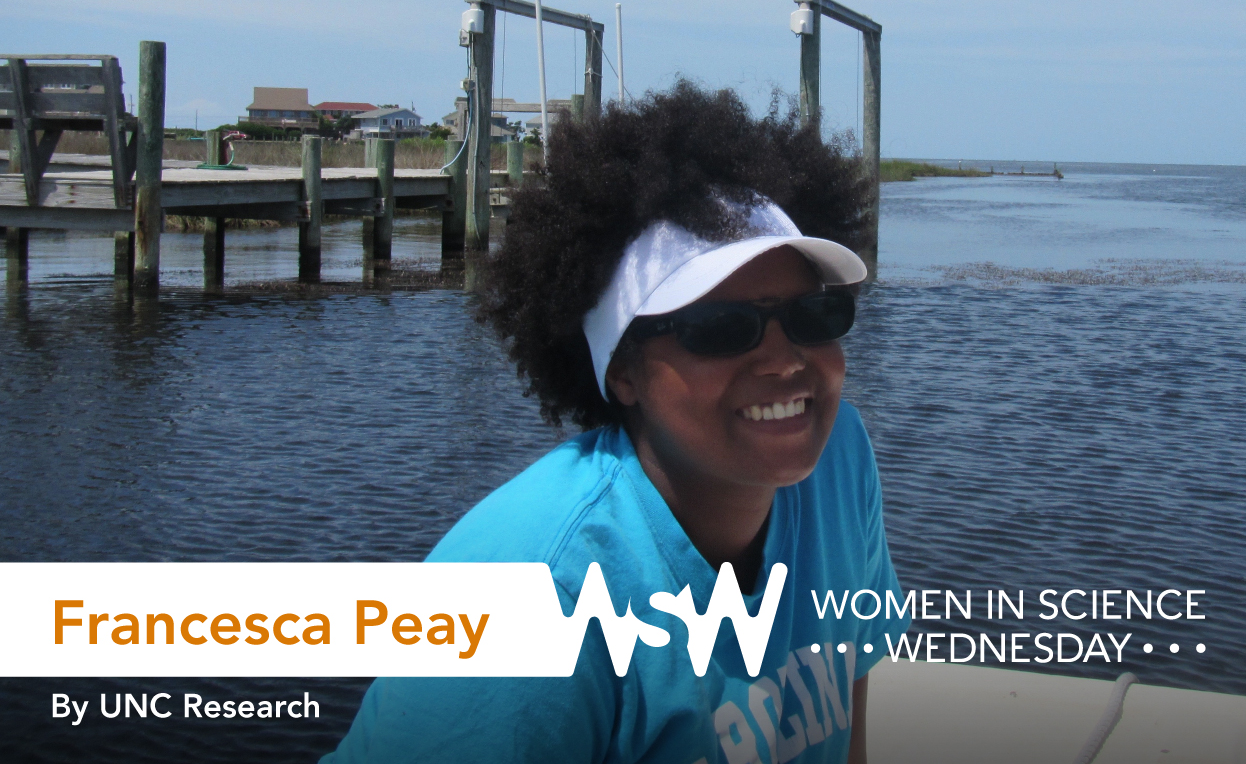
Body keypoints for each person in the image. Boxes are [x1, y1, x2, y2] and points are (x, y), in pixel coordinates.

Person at [323, 81, 909, 764]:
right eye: (721, 328)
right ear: (622, 372)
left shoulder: (839, 459)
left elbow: (849, 714)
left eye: (815, 314)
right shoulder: (534, 593)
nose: (784, 360)